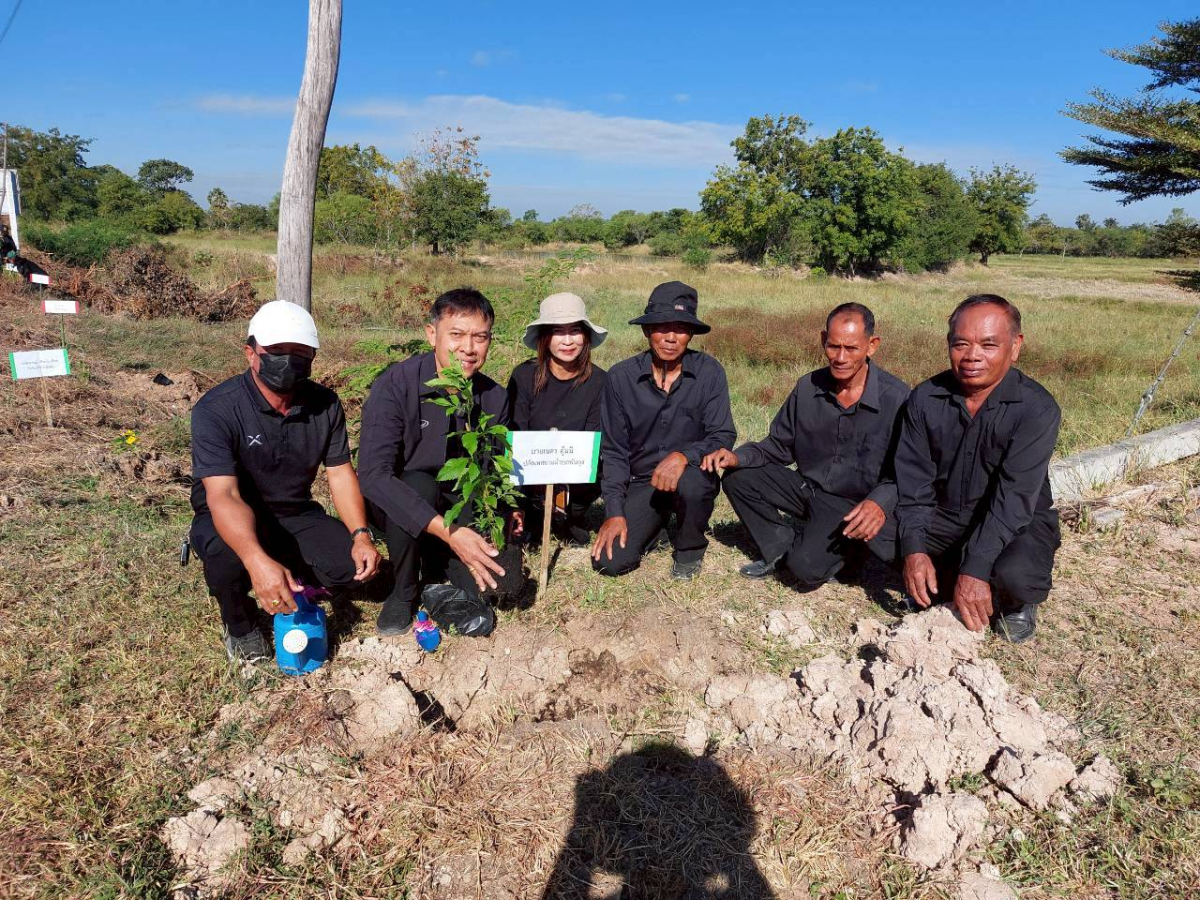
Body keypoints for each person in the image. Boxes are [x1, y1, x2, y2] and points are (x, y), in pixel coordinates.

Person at [189, 301, 382, 661]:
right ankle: (240, 625)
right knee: (225, 555)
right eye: (277, 352)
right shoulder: (216, 409)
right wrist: (255, 559)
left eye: (301, 354)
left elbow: (339, 473)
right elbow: (224, 494)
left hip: (294, 511)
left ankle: (289, 568)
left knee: (351, 569)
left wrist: (360, 535)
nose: (289, 362)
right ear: (251, 353)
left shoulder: (324, 404)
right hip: (232, 511)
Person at [894, 294, 1061, 643]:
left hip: (1014, 518)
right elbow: (913, 482)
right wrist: (914, 549)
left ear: (1015, 347)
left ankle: (1017, 603)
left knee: (1017, 572)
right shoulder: (925, 398)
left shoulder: (1036, 409)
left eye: (988, 344)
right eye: (961, 344)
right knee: (881, 535)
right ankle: (941, 573)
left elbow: (1014, 499)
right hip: (947, 513)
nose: (972, 356)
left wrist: (975, 568)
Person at [707, 303, 909, 588]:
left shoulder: (897, 398)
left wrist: (879, 502)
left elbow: (907, 472)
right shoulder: (808, 387)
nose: (839, 357)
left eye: (850, 348)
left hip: (851, 507)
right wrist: (736, 457)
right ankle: (780, 549)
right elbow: (778, 446)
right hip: (807, 489)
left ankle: (846, 552)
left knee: (804, 570)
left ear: (872, 345)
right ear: (822, 339)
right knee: (739, 477)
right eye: (832, 346)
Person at [358, 288, 522, 636]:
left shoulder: (493, 397)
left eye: (480, 337)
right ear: (432, 334)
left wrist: (508, 509)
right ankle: (403, 590)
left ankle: (437, 566)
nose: (469, 348)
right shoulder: (395, 386)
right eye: (457, 335)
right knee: (418, 484)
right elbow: (373, 476)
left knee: (498, 585)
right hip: (400, 504)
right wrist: (452, 533)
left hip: (457, 500)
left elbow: (494, 468)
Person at [592, 281, 735, 581]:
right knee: (611, 562)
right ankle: (654, 524)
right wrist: (614, 512)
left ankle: (689, 547)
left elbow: (722, 435)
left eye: (681, 328)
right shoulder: (621, 378)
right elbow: (614, 452)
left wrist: (684, 455)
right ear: (647, 330)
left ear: (691, 333)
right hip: (644, 483)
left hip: (691, 474)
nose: (671, 337)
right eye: (661, 327)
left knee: (694, 484)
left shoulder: (710, 372)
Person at [507, 292, 608, 545]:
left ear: (585, 335)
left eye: (575, 330)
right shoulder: (523, 376)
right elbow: (514, 435)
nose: (567, 340)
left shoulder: (600, 381)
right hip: (529, 475)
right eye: (557, 331)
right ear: (544, 337)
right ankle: (532, 513)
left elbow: (595, 440)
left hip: (579, 477)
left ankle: (568, 516)